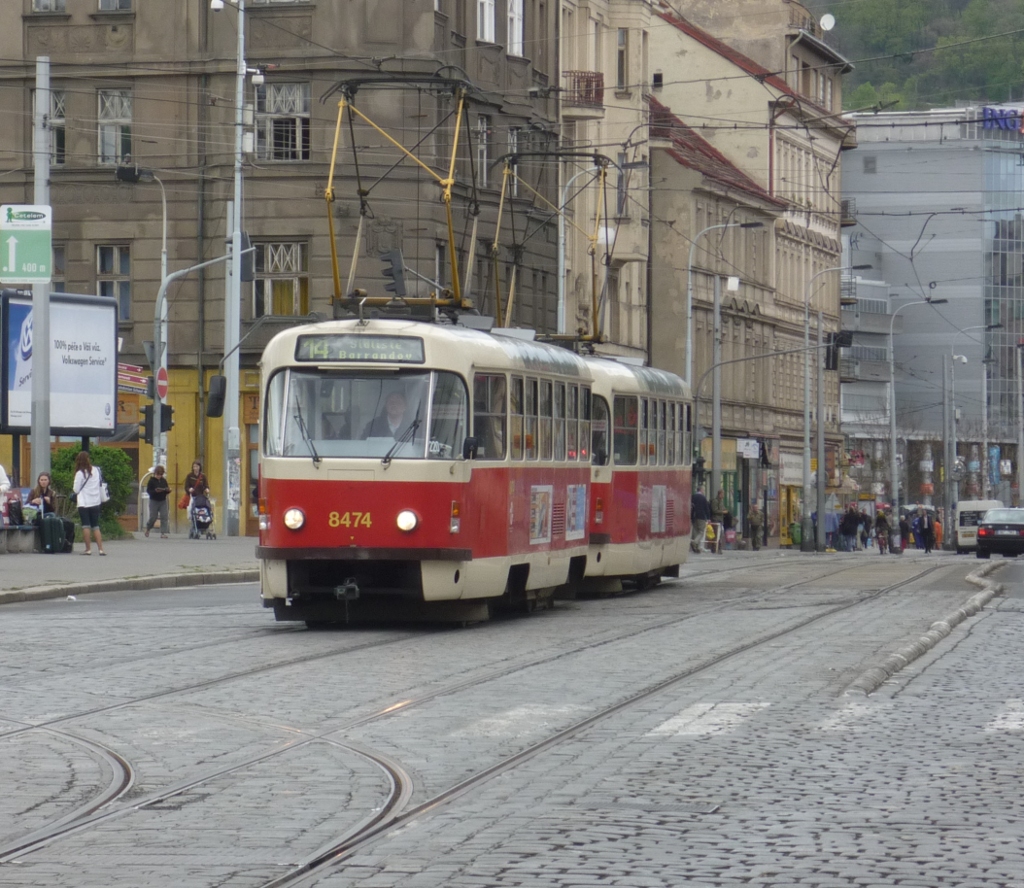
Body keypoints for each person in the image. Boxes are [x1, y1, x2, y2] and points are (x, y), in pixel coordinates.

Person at [72, 451, 106, 556]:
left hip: (84, 502)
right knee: (96, 526)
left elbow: (76, 489)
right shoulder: (96, 470)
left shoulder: (80, 473)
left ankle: (88, 549)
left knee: (86, 525)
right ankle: (101, 549)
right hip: (95, 501)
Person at [145, 465, 172, 538]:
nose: (159, 476)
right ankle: (148, 528)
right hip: (154, 501)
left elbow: (166, 489)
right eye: (157, 474)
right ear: (154, 473)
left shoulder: (163, 480)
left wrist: (168, 490)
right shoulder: (151, 481)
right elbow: (148, 491)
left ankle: (163, 533)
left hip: (163, 501)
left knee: (164, 516)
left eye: (160, 474)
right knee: (153, 517)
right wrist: (155, 491)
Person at [690, 487, 712, 553]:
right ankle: (695, 542)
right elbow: (706, 508)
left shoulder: (693, 497)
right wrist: (708, 518)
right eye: (703, 490)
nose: (704, 491)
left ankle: (697, 547)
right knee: (701, 532)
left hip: (694, 516)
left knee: (695, 531)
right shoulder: (703, 498)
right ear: (701, 490)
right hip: (701, 517)